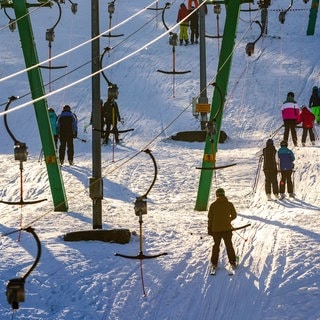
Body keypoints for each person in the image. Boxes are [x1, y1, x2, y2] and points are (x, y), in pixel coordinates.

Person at [208, 188, 237, 269]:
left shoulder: (213, 205)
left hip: (215, 230)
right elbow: (234, 215)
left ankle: (214, 263)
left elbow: (210, 218)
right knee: (229, 245)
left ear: (217, 195)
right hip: (227, 229)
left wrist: (209, 229)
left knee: (216, 246)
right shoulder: (229, 204)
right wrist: (228, 220)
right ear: (224, 194)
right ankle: (232, 261)